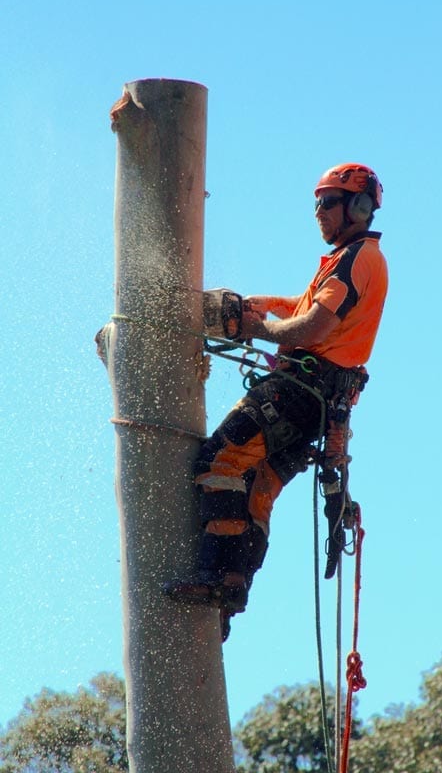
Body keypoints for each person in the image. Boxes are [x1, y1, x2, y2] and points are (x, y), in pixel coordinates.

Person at [164, 163, 388, 638]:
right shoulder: (346, 259)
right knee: (258, 488)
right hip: (322, 404)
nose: (318, 212)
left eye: (327, 202)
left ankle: (211, 575)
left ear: (359, 207)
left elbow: (310, 329)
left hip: (299, 392)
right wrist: (260, 305)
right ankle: (233, 583)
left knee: (219, 461)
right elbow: (305, 307)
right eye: (317, 203)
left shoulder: (357, 260)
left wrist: (255, 328)